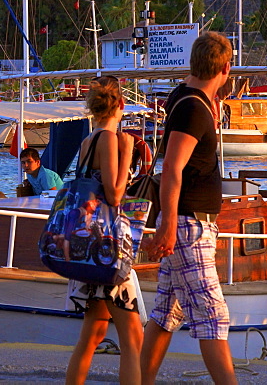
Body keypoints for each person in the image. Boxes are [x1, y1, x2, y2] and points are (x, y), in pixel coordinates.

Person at [141, 32, 237, 385]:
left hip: (189, 222)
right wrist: (167, 222)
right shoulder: (195, 109)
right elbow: (172, 167)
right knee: (213, 314)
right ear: (226, 67)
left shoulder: (188, 97)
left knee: (168, 310)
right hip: (188, 224)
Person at [66, 75, 142, 385]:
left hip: (88, 250)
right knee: (133, 339)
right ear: (120, 105)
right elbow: (113, 194)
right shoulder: (110, 140)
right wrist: (127, 153)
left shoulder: (87, 142)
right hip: (107, 252)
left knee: (94, 332)